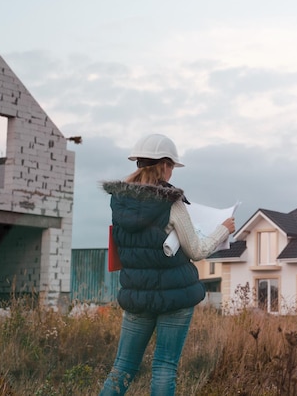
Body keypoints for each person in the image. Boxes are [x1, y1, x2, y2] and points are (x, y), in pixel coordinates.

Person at [100, 134, 236, 396]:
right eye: (172, 165)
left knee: (123, 367)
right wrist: (222, 230)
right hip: (175, 297)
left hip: (136, 294)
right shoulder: (170, 203)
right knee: (164, 367)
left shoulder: (119, 202)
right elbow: (196, 250)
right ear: (163, 166)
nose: (172, 171)